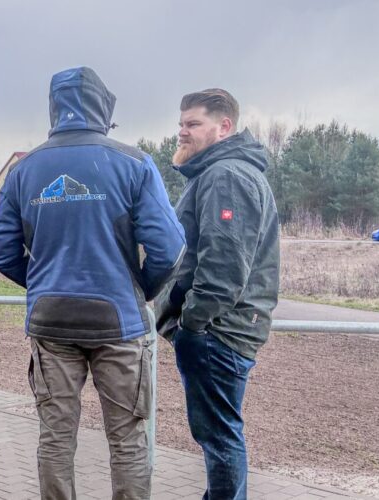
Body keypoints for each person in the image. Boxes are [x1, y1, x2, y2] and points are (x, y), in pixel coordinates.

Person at [0, 67, 185, 499]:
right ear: (103, 107)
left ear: (55, 107)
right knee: (128, 441)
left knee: (56, 439)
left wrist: (44, 284)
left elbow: (1, 251)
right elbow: (170, 248)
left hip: (51, 322)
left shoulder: (25, 169)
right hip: (119, 323)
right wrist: (140, 289)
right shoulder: (134, 163)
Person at [155, 88, 280, 500]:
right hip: (218, 332)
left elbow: (224, 267)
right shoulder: (218, 173)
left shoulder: (226, 175)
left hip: (216, 335)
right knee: (219, 436)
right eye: (180, 124)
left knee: (221, 439)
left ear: (224, 127)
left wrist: (191, 324)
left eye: (192, 124)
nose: (182, 133)